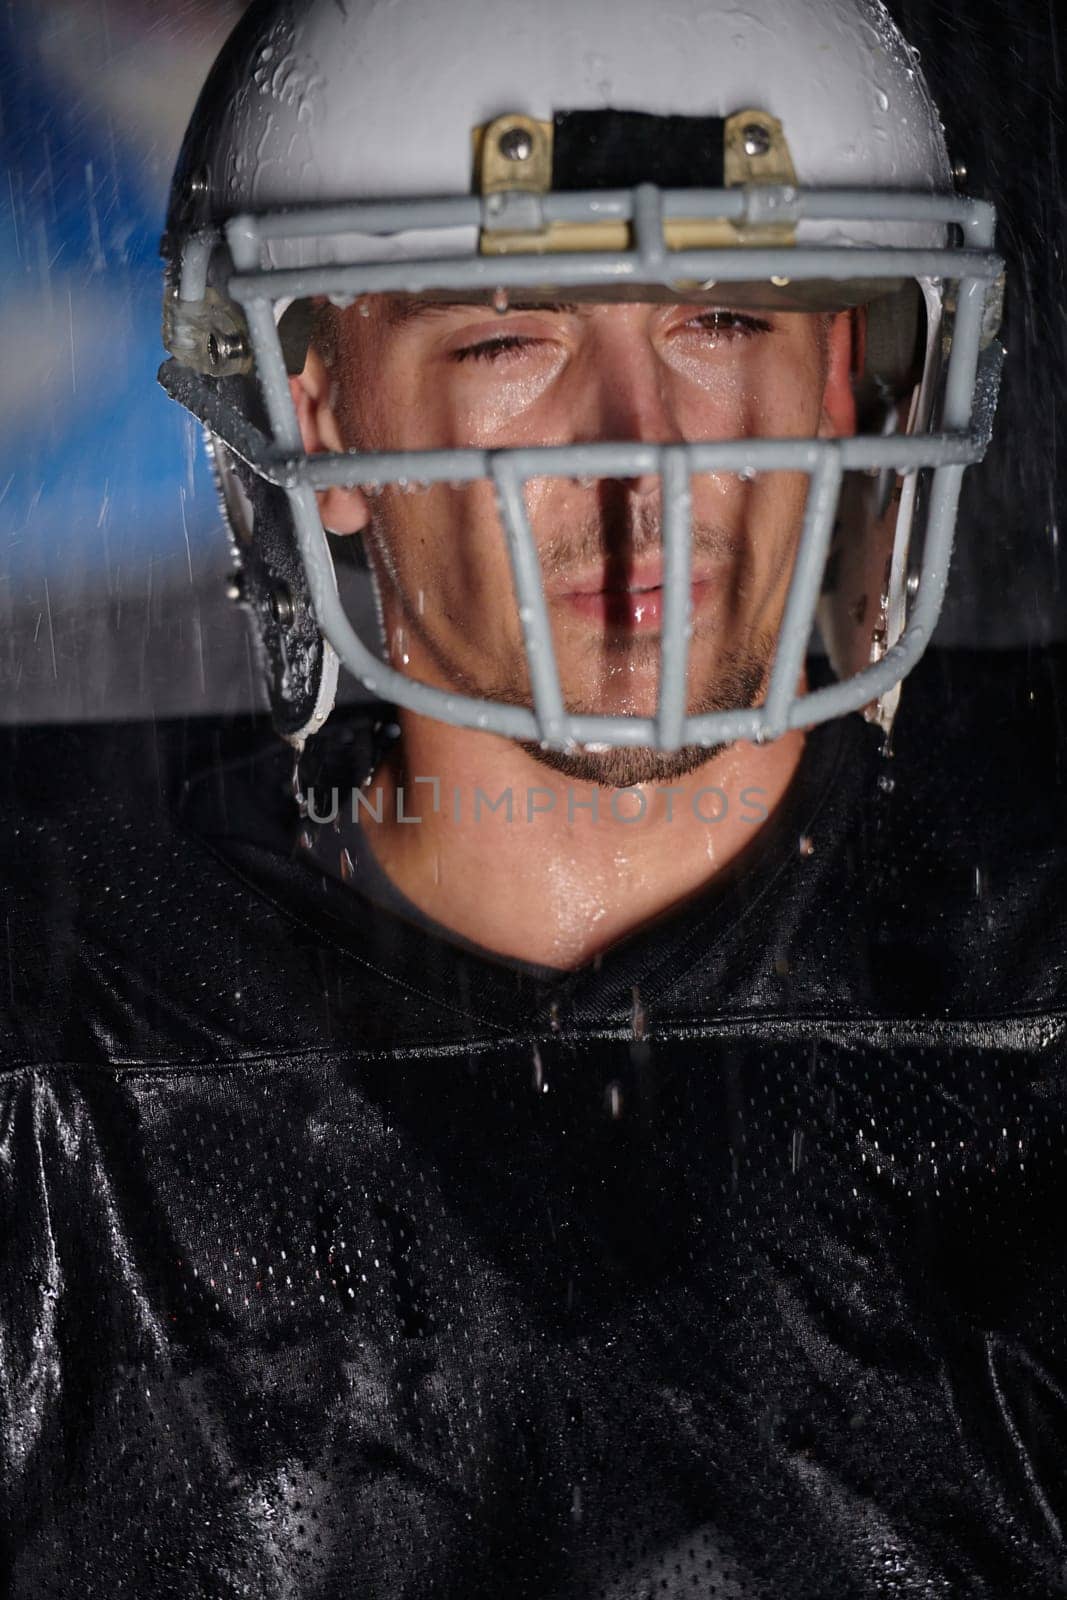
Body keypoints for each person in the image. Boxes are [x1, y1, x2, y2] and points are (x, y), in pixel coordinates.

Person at [1, 0, 1065, 1595]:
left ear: (848, 381)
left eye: (722, 323)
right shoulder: (50, 1080)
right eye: (508, 336)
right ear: (327, 425)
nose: (645, 452)